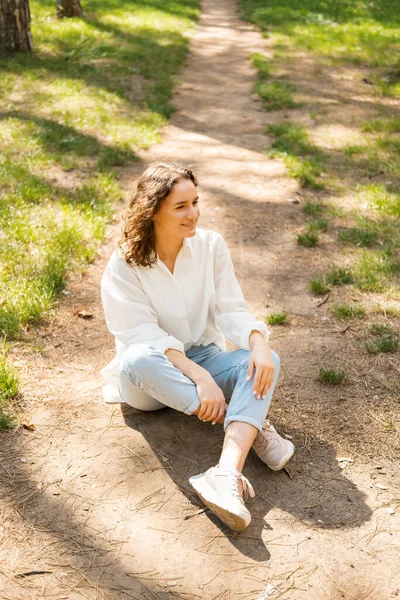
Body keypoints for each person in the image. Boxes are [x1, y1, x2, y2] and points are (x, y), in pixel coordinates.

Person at [100, 161, 294, 531]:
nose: (194, 214)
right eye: (181, 206)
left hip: (204, 356)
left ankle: (224, 474)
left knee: (267, 358)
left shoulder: (210, 246)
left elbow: (231, 307)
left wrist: (257, 342)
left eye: (195, 202)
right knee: (138, 358)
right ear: (153, 211)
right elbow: (140, 334)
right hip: (148, 379)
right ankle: (248, 420)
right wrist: (201, 377)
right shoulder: (124, 263)